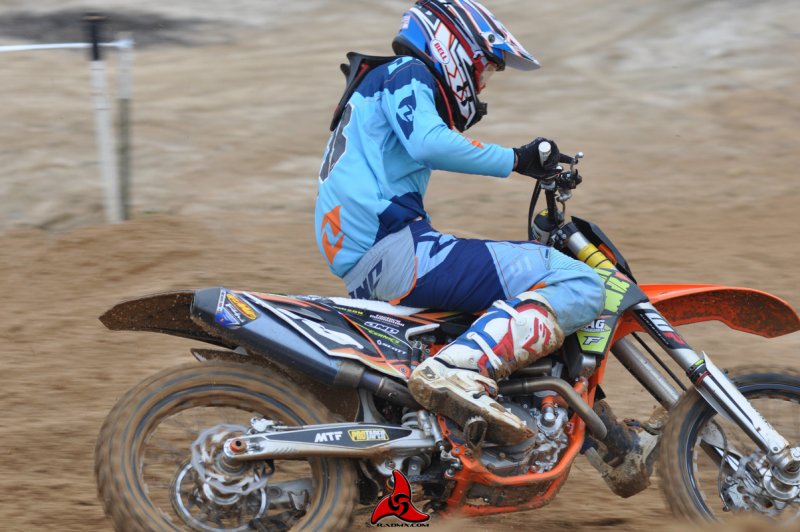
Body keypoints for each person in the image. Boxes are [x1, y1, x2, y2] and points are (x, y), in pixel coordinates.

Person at [314, 0, 604, 444]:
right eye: (484, 69)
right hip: (399, 250)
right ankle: (458, 369)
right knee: (579, 282)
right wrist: (518, 159)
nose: (482, 85)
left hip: (373, 264)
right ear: (452, 47)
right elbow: (429, 143)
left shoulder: (376, 88)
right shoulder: (406, 72)